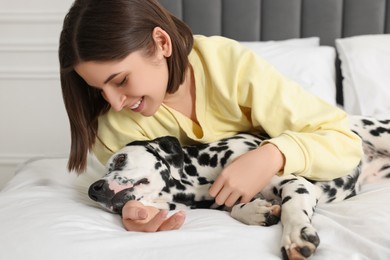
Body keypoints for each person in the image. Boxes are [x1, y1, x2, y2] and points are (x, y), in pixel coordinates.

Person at [59, 0, 362, 232]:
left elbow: (343, 141)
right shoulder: (112, 133)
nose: (114, 102)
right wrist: (133, 210)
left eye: (121, 81)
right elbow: (138, 191)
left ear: (162, 43)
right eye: (99, 89)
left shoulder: (227, 65)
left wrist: (273, 156)